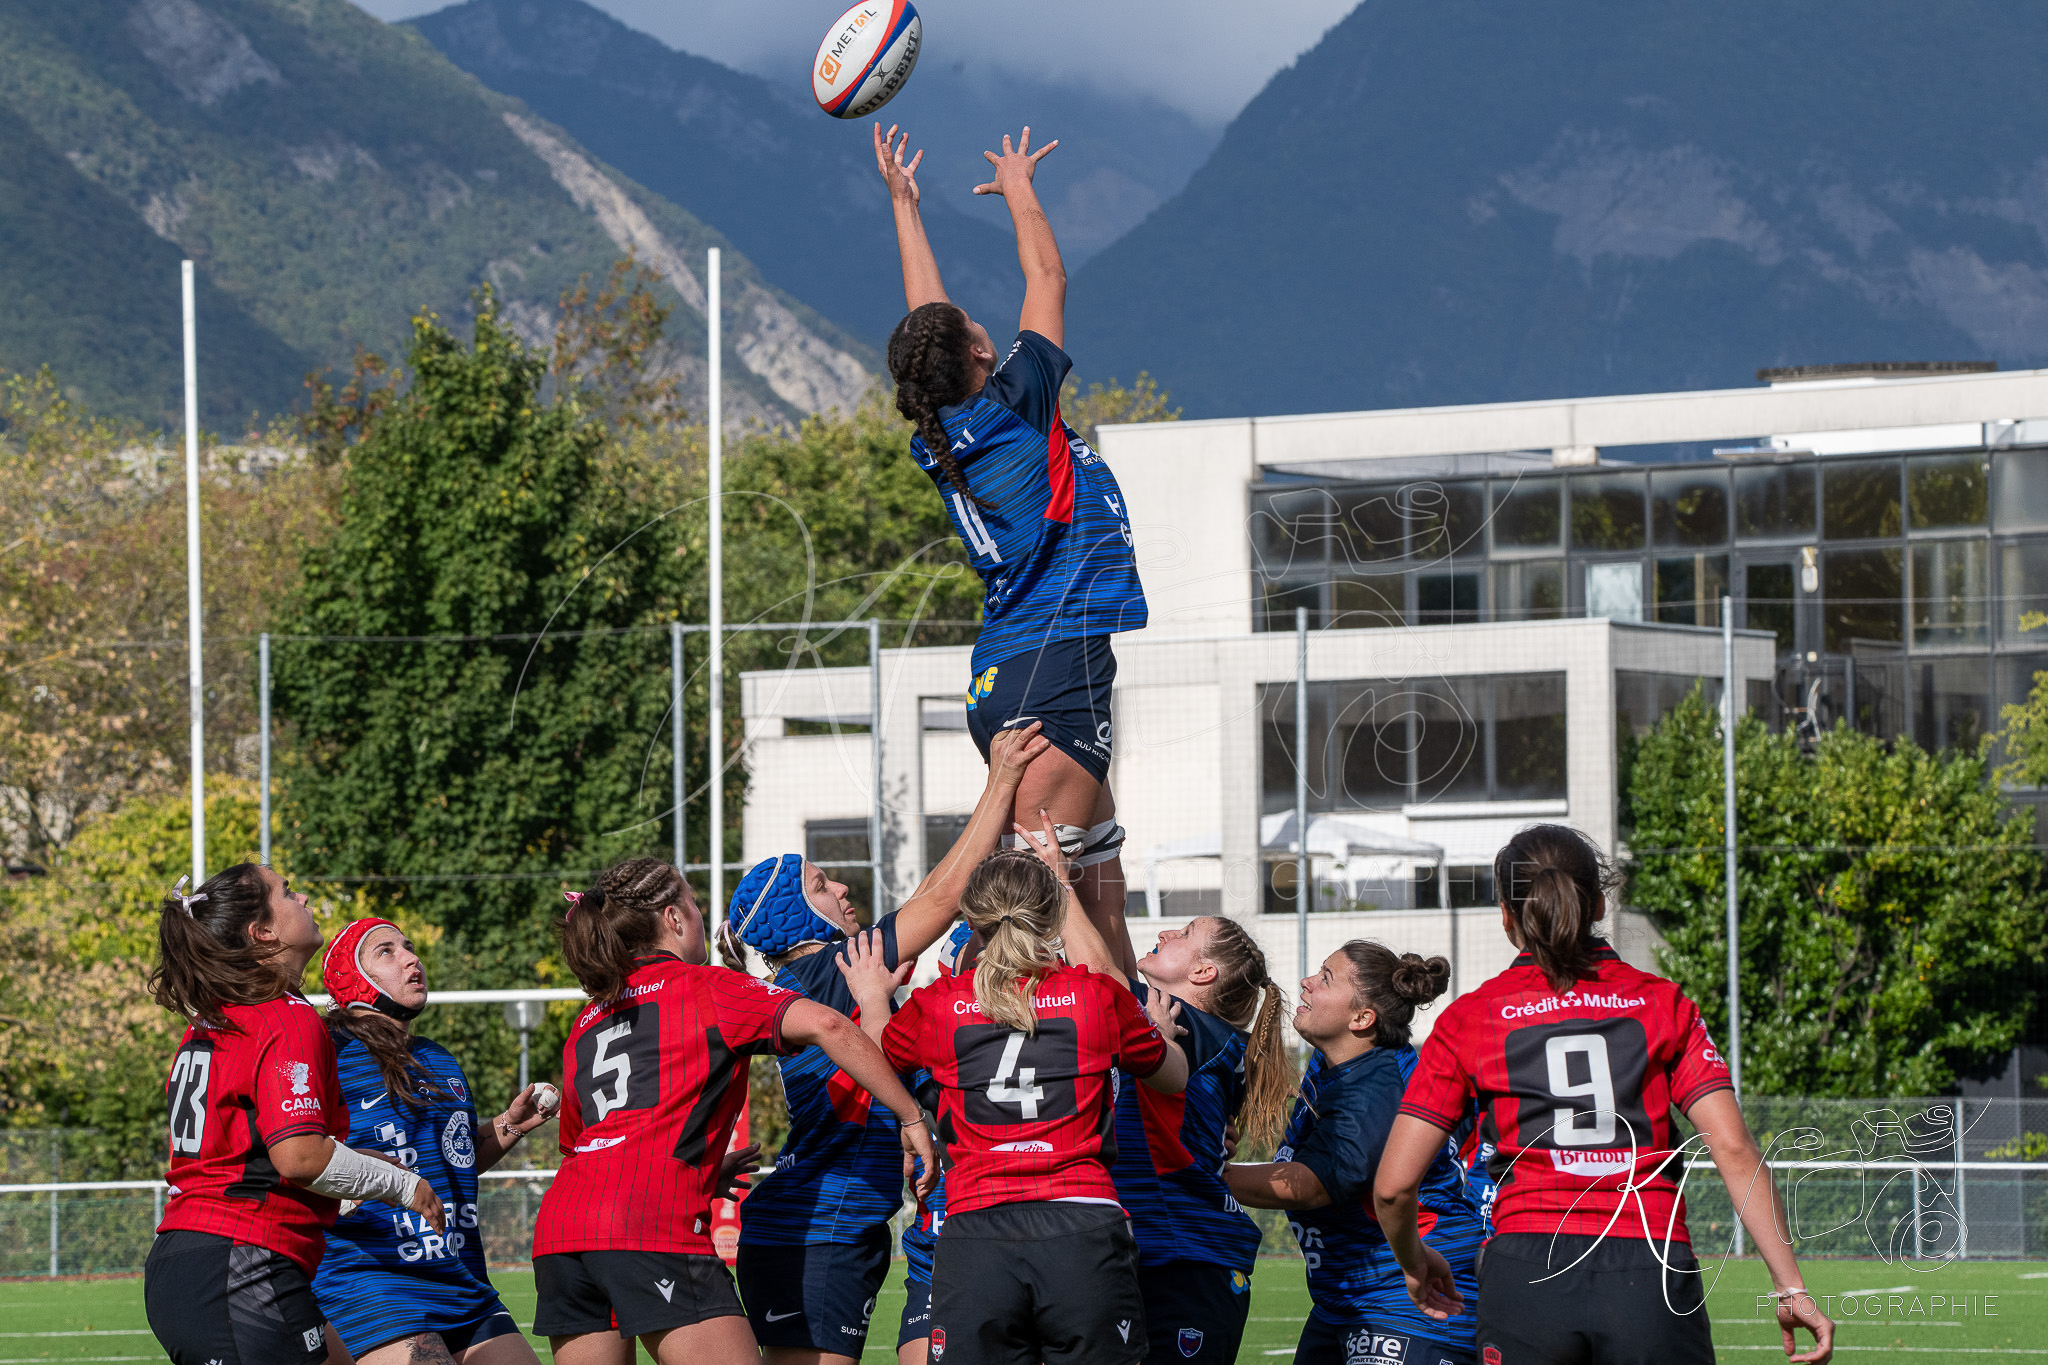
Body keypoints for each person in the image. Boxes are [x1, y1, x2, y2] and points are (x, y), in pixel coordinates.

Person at [1372, 824, 1836, 1365]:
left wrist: (1414, 1261)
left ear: (1506, 915)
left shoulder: (1471, 1019)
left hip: (1527, 1271)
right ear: (1596, 903)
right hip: (1650, 1265)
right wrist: (1791, 1288)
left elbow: (1392, 1189)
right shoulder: (1664, 1003)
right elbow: (1734, 1150)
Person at [875, 118, 1148, 981]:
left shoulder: (945, 430)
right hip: (1051, 675)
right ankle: (946, 1040)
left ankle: (1151, 1097)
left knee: (1101, 902)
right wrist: (1021, 184)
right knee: (1039, 930)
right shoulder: (1015, 404)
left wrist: (905, 208)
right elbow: (1048, 273)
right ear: (983, 354)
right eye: (967, 323)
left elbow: (930, 324)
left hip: (1017, 670)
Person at [726, 724, 1050, 1365]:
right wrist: (1002, 779)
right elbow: (945, 894)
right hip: (819, 1227)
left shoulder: (830, 980)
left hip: (838, 1223)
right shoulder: (835, 967)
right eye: (821, 885)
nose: (841, 888)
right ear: (794, 914)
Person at [531, 857, 935, 1365]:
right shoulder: (705, 985)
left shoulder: (589, 1018)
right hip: (645, 1219)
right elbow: (830, 1028)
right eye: (695, 904)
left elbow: (587, 1141)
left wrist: (699, 1166)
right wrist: (910, 1116)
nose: (701, 915)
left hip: (562, 1227)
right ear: (673, 920)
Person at [844, 824, 1190, 1365]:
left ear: (972, 921)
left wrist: (870, 996)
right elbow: (1172, 1077)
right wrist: (1162, 1036)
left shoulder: (939, 1005)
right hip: (1081, 1226)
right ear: (1049, 917)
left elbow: (876, 1056)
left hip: (976, 1230)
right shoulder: (1095, 995)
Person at [145, 864, 445, 1365]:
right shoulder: (281, 1013)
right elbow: (300, 1158)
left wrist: (355, 1166)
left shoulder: (220, 1016)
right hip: (240, 1265)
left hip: (199, 1258)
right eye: (286, 892)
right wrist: (403, 1186)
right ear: (262, 933)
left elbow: (254, 1153)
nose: (303, 897)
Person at [313, 917, 558, 1365]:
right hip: (373, 1276)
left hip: (459, 1273)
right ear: (352, 977)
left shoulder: (437, 1058)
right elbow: (300, 1155)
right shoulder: (325, 1052)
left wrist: (511, 1124)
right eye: (386, 951)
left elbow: (454, 1160)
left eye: (409, 947)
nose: (411, 959)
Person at [1224, 943, 1483, 1365]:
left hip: (1410, 1302)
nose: (1306, 982)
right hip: (1347, 1297)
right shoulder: (1336, 1063)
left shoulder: (1377, 1086)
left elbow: (1311, 1185)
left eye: (1325, 978)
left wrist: (1204, 1172)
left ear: (1362, 1019)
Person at [1060, 914, 1293, 1365]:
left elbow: (1103, 973)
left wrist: (1057, 876)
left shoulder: (1188, 1025)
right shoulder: (1171, 1019)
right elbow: (1112, 953)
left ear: (1203, 973)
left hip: (1186, 1253)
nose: (1166, 933)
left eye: (1184, 934)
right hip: (1152, 1249)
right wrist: (1100, 858)